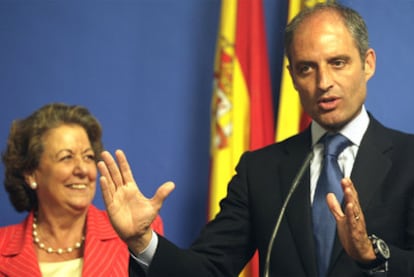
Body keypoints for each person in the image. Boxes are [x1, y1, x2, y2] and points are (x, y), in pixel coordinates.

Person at [98, 3, 414, 277]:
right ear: (292, 76)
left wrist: (373, 254)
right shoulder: (260, 170)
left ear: (368, 63)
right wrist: (142, 240)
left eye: (337, 62)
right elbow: (208, 268)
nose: (323, 82)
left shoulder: (408, 160)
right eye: (307, 68)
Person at [0, 103, 164, 277]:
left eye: (88, 157)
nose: (83, 170)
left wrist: (140, 240)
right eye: (66, 157)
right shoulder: (3, 246)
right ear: (31, 173)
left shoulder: (136, 233)